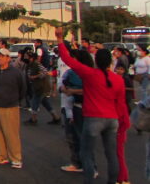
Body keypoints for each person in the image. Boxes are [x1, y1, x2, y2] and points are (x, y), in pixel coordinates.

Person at [55, 27, 128, 184]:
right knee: (111, 154)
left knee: (86, 153)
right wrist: (123, 122)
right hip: (112, 119)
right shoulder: (118, 80)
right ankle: (113, 181)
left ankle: (89, 180)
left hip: (93, 118)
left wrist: (60, 40)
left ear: (96, 60)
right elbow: (121, 104)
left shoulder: (90, 74)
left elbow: (68, 60)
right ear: (110, 61)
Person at [0, 48, 26, 169]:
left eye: (3, 56)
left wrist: (15, 100)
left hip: (10, 106)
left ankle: (16, 158)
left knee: (11, 133)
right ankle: (1, 156)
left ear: (8, 58)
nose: (0, 58)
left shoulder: (15, 72)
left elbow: (23, 88)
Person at [24, 52, 61, 125]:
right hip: (37, 86)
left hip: (41, 87)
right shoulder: (30, 65)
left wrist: (35, 77)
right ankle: (56, 117)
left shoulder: (37, 64)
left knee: (34, 103)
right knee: (45, 103)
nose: (26, 58)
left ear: (31, 58)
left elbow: (45, 72)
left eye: (27, 57)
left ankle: (34, 119)